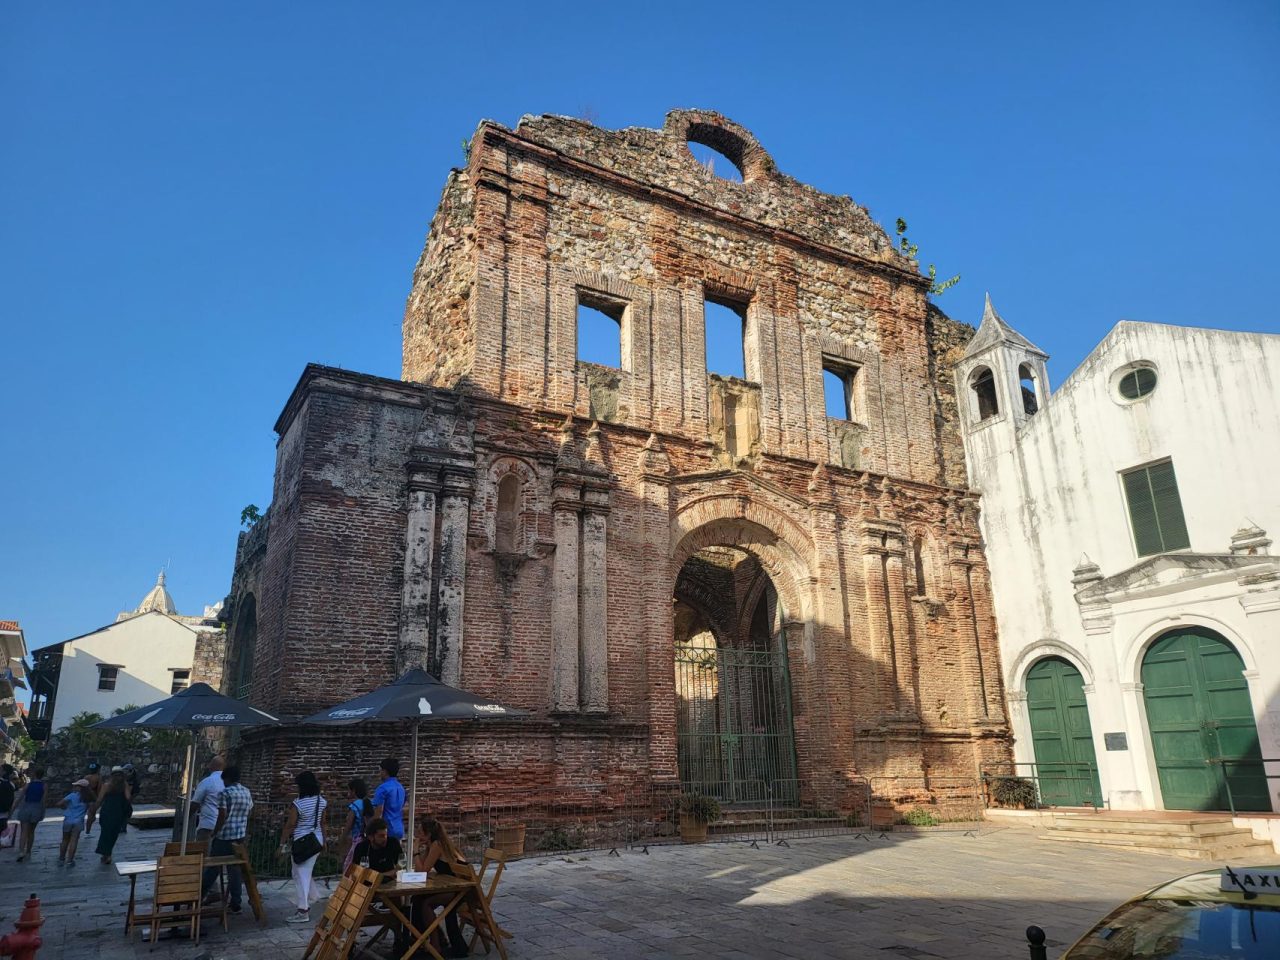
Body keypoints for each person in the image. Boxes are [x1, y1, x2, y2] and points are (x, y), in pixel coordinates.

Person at [411, 816, 473, 959]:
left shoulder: (437, 845)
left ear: (428, 834)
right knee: (418, 899)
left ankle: (435, 943)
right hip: (453, 885)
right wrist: (421, 852)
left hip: (462, 889)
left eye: (420, 832)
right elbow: (421, 870)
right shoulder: (432, 845)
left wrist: (415, 850)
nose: (417, 835)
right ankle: (430, 939)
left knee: (425, 903)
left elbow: (422, 871)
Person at [201, 764, 251, 914]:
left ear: (227, 779)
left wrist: (215, 832)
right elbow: (249, 811)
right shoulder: (246, 792)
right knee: (234, 870)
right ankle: (236, 902)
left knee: (213, 868)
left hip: (225, 836)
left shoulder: (225, 793)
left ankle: (199, 895)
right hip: (239, 836)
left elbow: (222, 814)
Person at [282, 770, 327, 924]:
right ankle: (313, 896)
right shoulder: (321, 801)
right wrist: (325, 840)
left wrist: (282, 843)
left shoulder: (298, 803)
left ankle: (303, 910)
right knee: (301, 872)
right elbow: (323, 822)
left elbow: (290, 824)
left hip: (302, 841)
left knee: (301, 874)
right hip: (317, 839)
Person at [89, 769, 132, 864]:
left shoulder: (106, 786)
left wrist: (93, 811)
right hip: (119, 812)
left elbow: (99, 800)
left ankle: (106, 855)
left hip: (107, 812)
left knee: (105, 833)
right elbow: (128, 797)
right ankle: (108, 854)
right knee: (113, 834)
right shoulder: (124, 785)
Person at [13, 765, 48, 863]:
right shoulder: (44, 785)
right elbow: (44, 800)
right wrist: (43, 811)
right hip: (37, 808)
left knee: (23, 831)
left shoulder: (28, 785)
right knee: (31, 831)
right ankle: (28, 850)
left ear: (34, 774)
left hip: (26, 807)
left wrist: (12, 810)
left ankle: (21, 851)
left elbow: (20, 798)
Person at [340, 777, 374, 873]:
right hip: (367, 839)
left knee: (349, 868)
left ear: (353, 791)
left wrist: (342, 839)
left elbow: (348, 826)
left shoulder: (354, 805)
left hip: (357, 840)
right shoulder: (369, 803)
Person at [57, 778, 94, 866]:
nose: (74, 787)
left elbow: (59, 804)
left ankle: (61, 858)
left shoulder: (72, 795)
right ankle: (70, 860)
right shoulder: (88, 798)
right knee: (74, 841)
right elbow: (91, 810)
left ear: (80, 787)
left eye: (76, 786)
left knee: (65, 840)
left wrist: (65, 808)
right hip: (79, 821)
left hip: (68, 820)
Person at [190, 756, 226, 843]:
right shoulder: (228, 782)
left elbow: (195, 803)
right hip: (225, 827)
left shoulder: (207, 782)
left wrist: (186, 817)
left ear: (211, 766)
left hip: (208, 825)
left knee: (201, 852)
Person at [371, 757, 406, 841]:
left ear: (385, 771)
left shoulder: (382, 788)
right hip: (399, 828)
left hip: (386, 830)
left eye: (381, 770)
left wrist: (371, 830)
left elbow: (378, 812)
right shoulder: (401, 788)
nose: (380, 773)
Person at [0, 764, 15, 850]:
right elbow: (12, 801)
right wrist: (10, 813)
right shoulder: (11, 784)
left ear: (4, 771)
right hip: (4, 815)